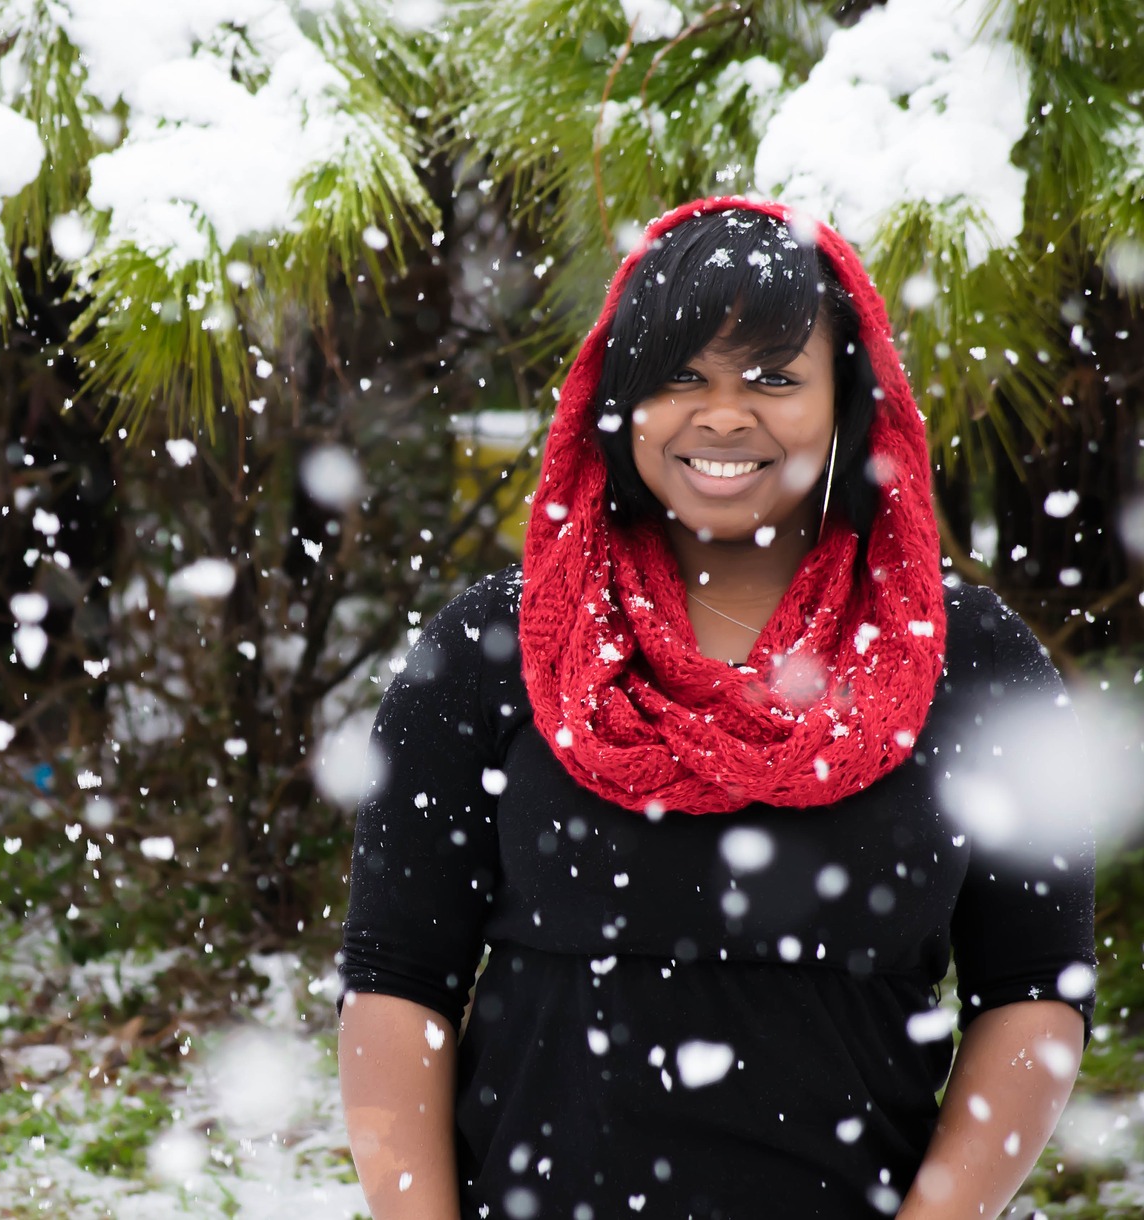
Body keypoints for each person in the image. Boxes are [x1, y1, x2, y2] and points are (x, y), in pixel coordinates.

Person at [336, 196, 1096, 1220]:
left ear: (847, 401)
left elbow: (1032, 990)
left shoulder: (962, 660)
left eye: (775, 378)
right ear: (617, 401)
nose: (724, 415)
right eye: (678, 375)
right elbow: (396, 979)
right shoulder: (495, 648)